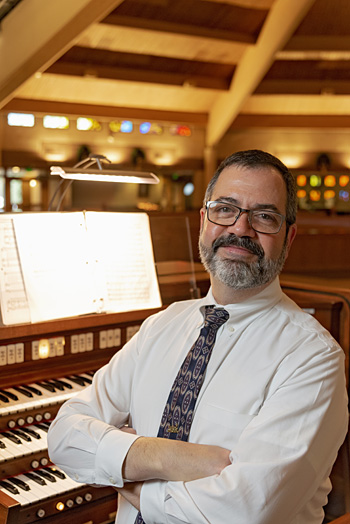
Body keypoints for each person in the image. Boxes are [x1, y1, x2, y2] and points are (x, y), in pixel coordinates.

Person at [48, 149, 348, 524]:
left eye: (265, 217)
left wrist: (124, 475)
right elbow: (63, 436)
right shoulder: (161, 326)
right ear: (204, 220)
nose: (240, 228)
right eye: (226, 209)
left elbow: (243, 513)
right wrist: (162, 455)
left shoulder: (313, 357)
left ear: (288, 238)